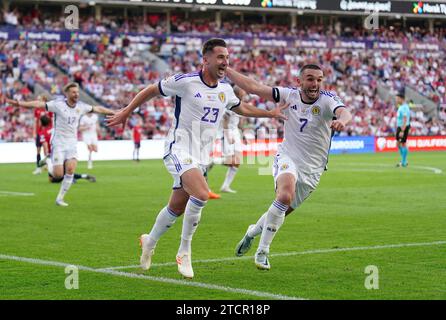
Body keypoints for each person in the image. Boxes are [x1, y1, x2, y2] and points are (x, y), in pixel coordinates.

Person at [106, 38, 288, 279]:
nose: (226, 62)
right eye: (221, 57)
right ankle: (184, 251)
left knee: (176, 207)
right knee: (201, 194)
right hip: (178, 148)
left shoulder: (224, 90)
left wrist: (269, 113)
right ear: (206, 59)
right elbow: (152, 89)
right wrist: (126, 111)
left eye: (227, 57)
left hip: (201, 157)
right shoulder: (185, 82)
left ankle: (149, 240)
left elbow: (241, 108)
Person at [227, 64, 352, 270]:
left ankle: (251, 232)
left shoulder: (328, 99)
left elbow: (344, 112)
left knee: (280, 211)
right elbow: (253, 87)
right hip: (288, 157)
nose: (315, 84)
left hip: (313, 170)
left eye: (319, 79)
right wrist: (227, 69)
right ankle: (262, 252)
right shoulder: (288, 95)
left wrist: (343, 121)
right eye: (310, 79)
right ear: (299, 81)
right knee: (284, 196)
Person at [6, 82, 114, 207]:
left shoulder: (81, 106)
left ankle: (60, 198)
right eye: (73, 92)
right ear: (67, 93)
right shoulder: (58, 105)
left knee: (70, 170)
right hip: (58, 142)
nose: (76, 94)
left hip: (72, 143)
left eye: (77, 92)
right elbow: (38, 104)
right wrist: (19, 104)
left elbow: (98, 109)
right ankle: (48, 162)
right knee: (58, 175)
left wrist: (113, 111)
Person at [37, 115, 96, 184]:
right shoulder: (55, 129)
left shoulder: (43, 133)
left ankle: (48, 162)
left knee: (56, 177)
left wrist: (47, 155)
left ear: (41, 122)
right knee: (62, 173)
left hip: (54, 154)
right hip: (63, 151)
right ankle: (83, 176)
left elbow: (45, 145)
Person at [220, 86, 245, 193]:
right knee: (230, 161)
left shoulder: (241, 104)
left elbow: (239, 123)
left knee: (237, 162)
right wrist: (227, 136)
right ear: (238, 93)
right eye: (243, 91)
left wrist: (243, 134)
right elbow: (225, 120)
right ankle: (211, 162)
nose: (244, 93)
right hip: (228, 131)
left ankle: (225, 186)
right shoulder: (230, 104)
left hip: (236, 132)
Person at [32, 95, 51, 175]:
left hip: (47, 133)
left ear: (44, 100)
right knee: (38, 150)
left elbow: (51, 121)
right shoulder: (37, 110)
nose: (38, 101)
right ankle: (38, 168)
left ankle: (48, 165)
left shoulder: (49, 109)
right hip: (39, 133)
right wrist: (34, 132)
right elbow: (35, 121)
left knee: (46, 150)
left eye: (40, 99)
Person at [395, 91, 411, 167]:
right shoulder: (401, 107)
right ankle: (404, 160)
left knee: (403, 144)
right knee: (398, 144)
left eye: (397, 99)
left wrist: (402, 130)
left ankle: (404, 162)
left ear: (401, 99)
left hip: (403, 127)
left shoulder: (404, 107)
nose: (396, 100)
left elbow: (405, 119)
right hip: (399, 127)